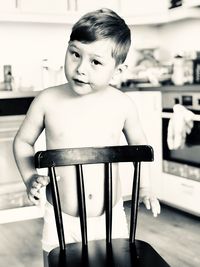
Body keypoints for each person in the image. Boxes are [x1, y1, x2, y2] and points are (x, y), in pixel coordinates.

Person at [13, 8, 160, 267]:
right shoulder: (47, 100)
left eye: (96, 62)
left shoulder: (122, 105)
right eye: (75, 54)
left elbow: (141, 150)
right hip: (61, 217)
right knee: (55, 262)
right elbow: (23, 141)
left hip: (110, 217)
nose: (81, 68)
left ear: (117, 71)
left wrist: (146, 187)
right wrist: (30, 177)